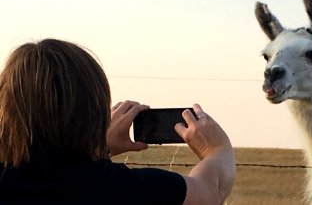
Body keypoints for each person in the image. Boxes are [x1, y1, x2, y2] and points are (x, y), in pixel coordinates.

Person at [0, 39, 236, 205]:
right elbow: (210, 192)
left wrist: (98, 148)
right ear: (95, 112)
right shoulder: (122, 190)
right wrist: (216, 149)